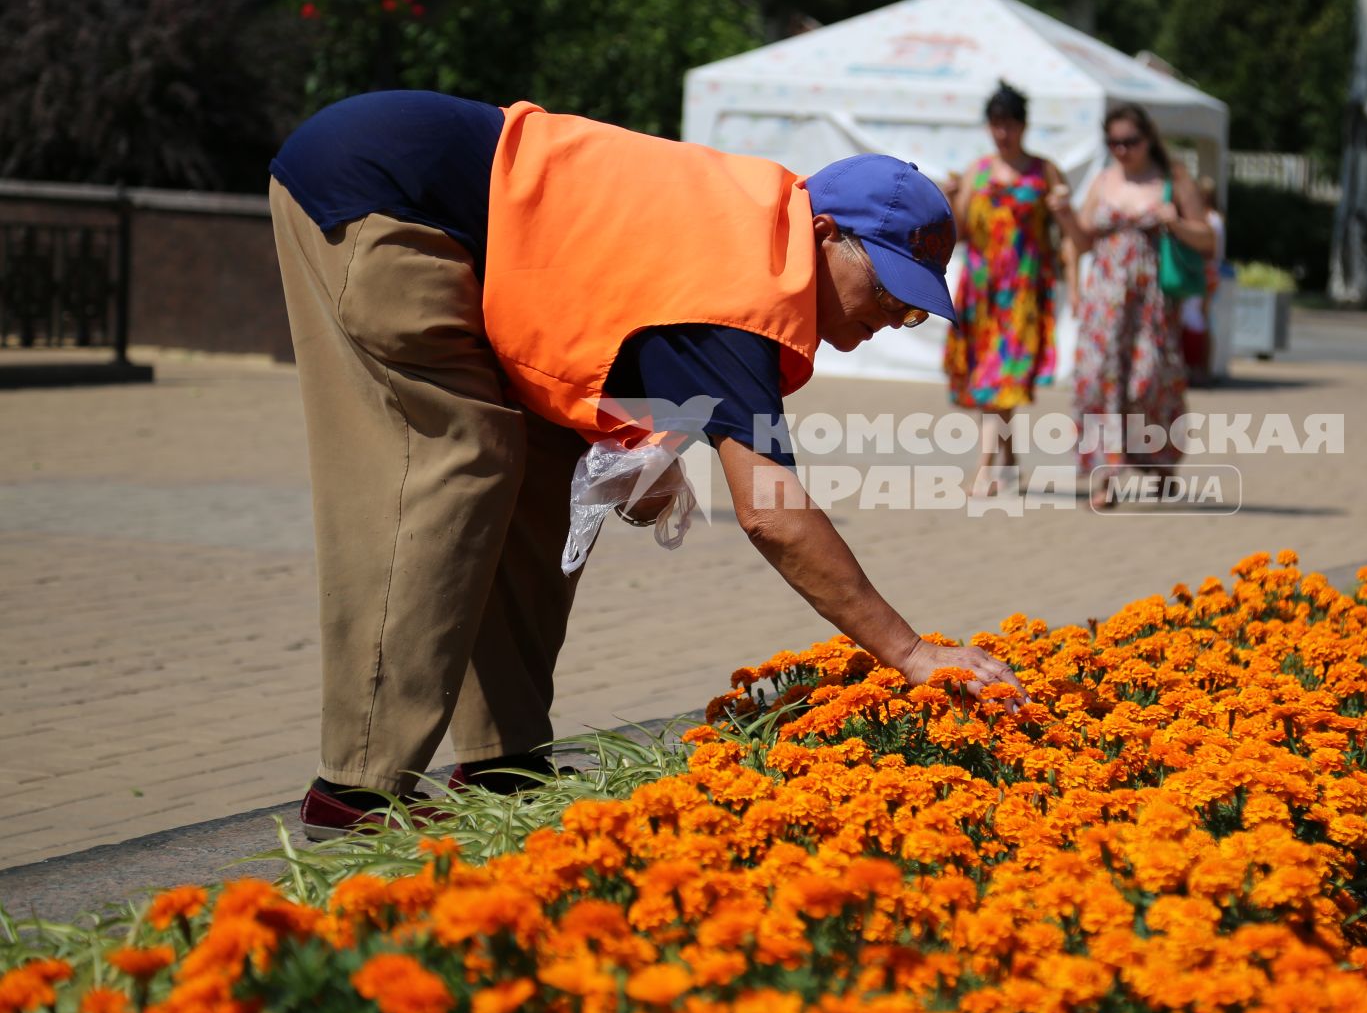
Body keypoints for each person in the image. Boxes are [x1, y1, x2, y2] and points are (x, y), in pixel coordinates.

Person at [267, 90, 1024, 839]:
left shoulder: (759, 242)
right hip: (385, 190)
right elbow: (772, 515)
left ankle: (504, 759)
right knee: (456, 463)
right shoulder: (746, 285)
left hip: (447, 210)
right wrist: (909, 651)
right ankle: (357, 788)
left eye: (916, 305)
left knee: (544, 474)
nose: (899, 315)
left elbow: (603, 316)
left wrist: (636, 445)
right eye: (891, 287)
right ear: (823, 234)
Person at [1058, 103, 1215, 510]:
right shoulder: (1104, 180)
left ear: (1148, 139)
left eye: (1130, 141)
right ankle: (1102, 476)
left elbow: (1207, 241)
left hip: (1150, 301)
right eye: (1114, 142)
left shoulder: (1172, 179)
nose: (1122, 150)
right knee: (1095, 381)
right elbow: (1084, 240)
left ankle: (1159, 462)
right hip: (1104, 301)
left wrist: (1175, 222)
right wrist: (1065, 218)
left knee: (1147, 384)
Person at [939, 82, 1081, 496]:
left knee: (1002, 377)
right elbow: (960, 232)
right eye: (997, 124)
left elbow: (1068, 235)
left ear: (1023, 125)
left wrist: (1073, 285)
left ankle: (985, 471)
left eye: (1010, 124)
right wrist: (949, 202)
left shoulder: (1044, 171)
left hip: (1024, 291)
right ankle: (1011, 465)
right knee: (992, 379)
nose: (1003, 133)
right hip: (982, 290)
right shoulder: (976, 172)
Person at [1181, 176, 1227, 386]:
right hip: (1208, 271)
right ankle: (1201, 368)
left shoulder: (1210, 219)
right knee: (1202, 319)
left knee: (1197, 318)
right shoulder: (1214, 218)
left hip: (1204, 271)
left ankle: (1200, 368)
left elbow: (1210, 249)